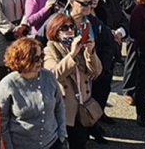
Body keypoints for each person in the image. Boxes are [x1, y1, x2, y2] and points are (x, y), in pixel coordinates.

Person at [42, 13, 102, 147]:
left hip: (82, 105)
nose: (69, 30)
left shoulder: (81, 47)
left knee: (80, 143)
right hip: (64, 107)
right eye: (64, 28)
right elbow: (54, 75)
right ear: (55, 31)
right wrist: (72, 54)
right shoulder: (49, 50)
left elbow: (96, 71)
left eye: (72, 27)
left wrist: (90, 52)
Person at [0, 37, 66, 149]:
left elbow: (59, 106)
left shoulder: (49, 76)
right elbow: (2, 122)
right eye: (36, 58)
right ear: (22, 59)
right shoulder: (7, 85)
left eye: (42, 57)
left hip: (52, 143)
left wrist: (61, 136)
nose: (40, 61)